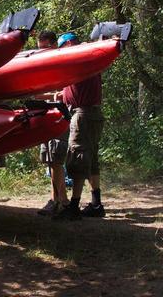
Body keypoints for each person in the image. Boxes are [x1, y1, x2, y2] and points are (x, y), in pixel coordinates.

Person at [53, 32, 105, 221]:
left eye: (61, 48)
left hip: (83, 115)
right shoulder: (87, 60)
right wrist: (63, 94)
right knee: (91, 160)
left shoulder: (79, 57)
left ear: (68, 44)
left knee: (78, 158)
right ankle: (96, 204)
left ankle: (73, 207)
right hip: (92, 114)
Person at [36, 31, 70, 215]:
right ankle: (54, 199)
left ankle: (63, 201)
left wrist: (48, 95)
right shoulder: (42, 67)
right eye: (39, 48)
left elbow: (65, 93)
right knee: (49, 160)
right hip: (45, 116)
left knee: (56, 160)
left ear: (54, 46)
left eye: (45, 48)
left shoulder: (61, 65)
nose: (41, 51)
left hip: (58, 116)